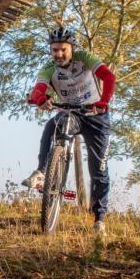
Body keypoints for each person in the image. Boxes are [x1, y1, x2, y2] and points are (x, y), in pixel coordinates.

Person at [24, 27, 115, 233]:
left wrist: (104, 101)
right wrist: (41, 99)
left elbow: (109, 77)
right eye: (54, 50)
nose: (58, 54)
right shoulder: (49, 68)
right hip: (71, 113)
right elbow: (38, 89)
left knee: (98, 168)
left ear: (72, 48)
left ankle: (99, 218)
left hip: (96, 115)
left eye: (63, 49)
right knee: (52, 124)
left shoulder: (85, 58)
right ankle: (42, 171)